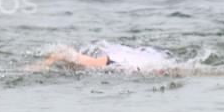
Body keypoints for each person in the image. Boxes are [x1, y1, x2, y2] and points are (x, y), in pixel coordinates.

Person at [32, 42, 176, 72]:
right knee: (88, 64)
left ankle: (54, 58)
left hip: (120, 61)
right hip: (115, 61)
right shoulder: (155, 66)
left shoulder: (156, 66)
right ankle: (51, 59)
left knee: (80, 64)